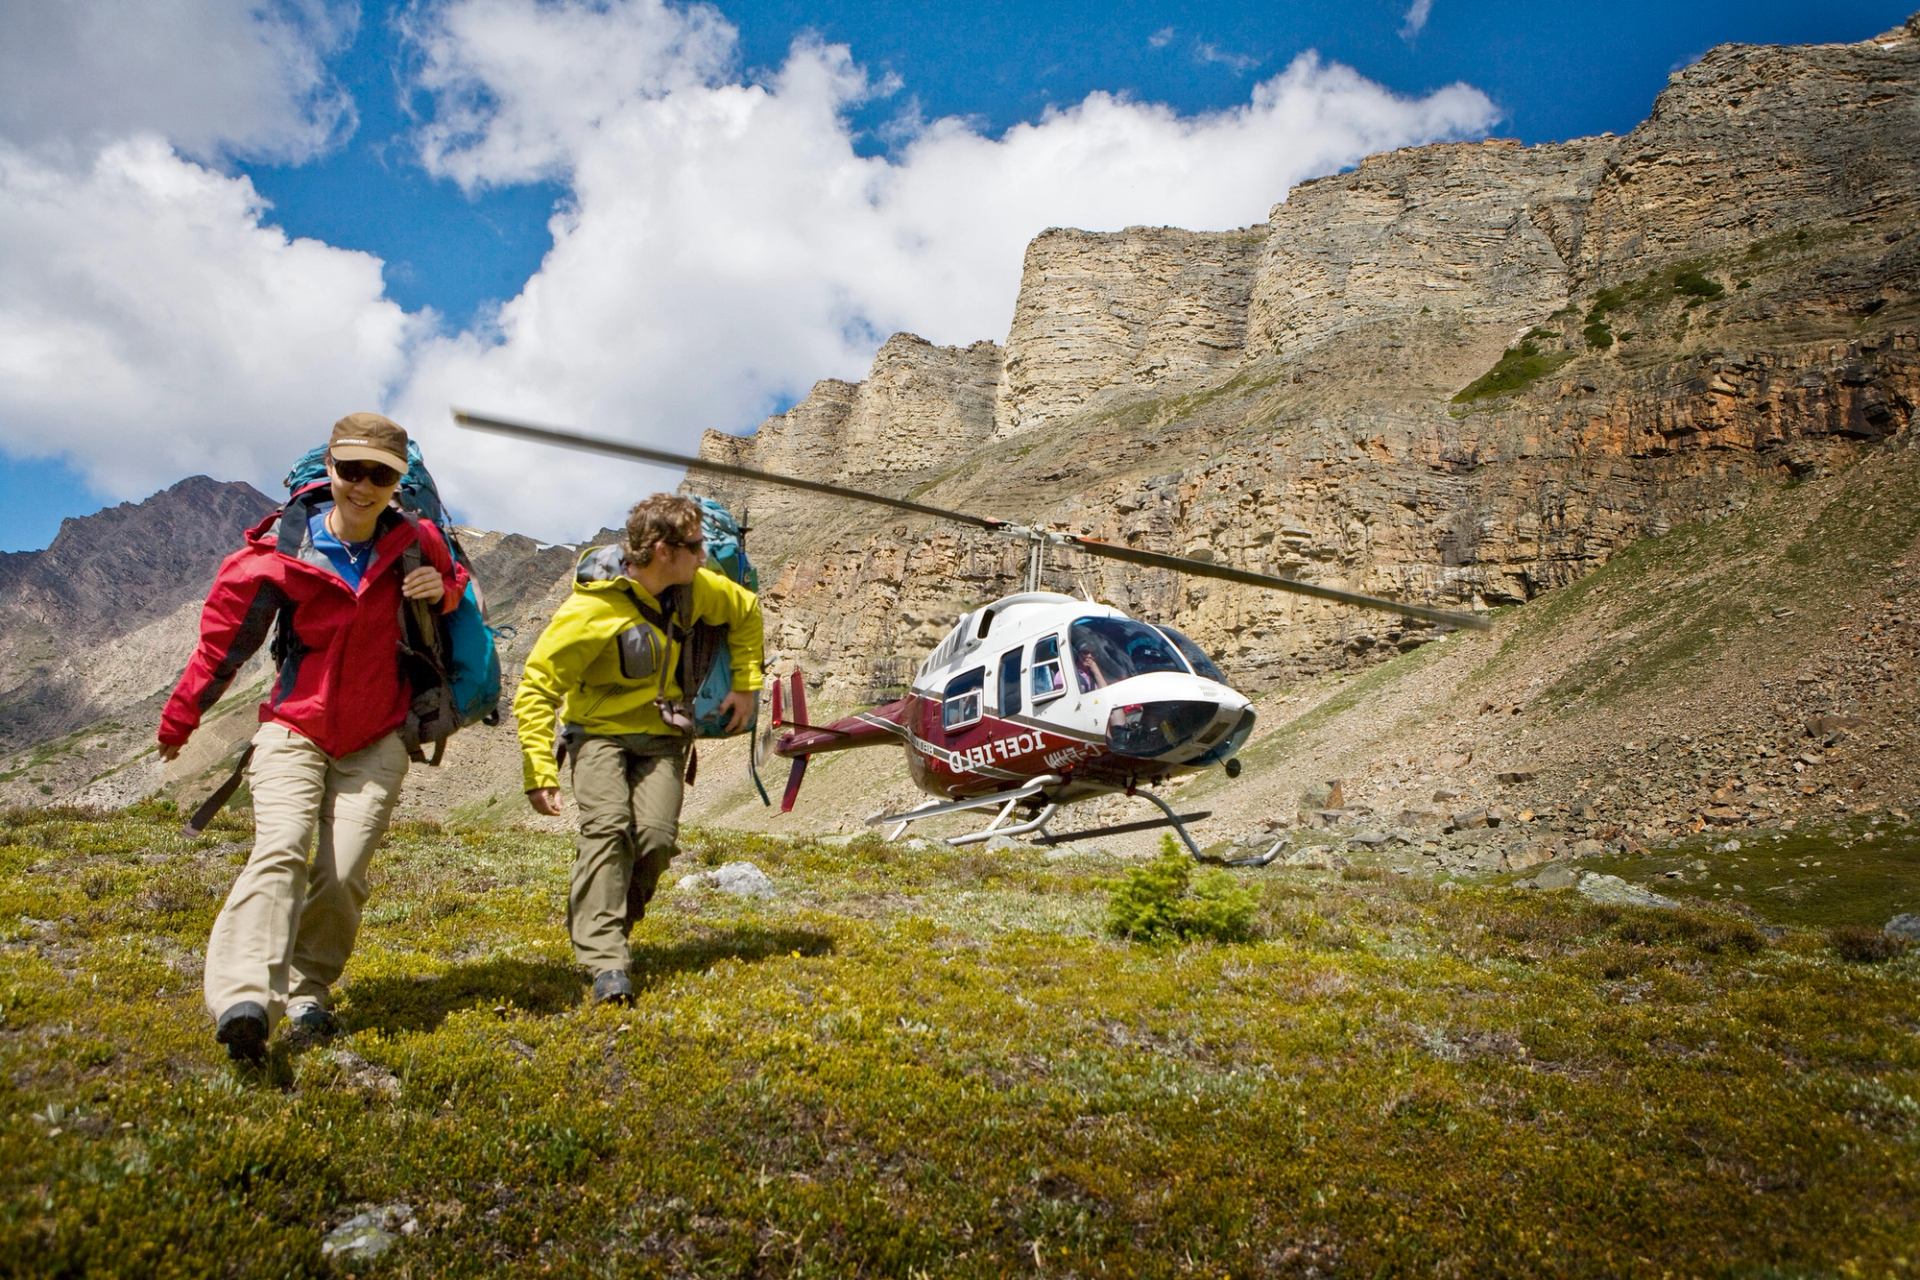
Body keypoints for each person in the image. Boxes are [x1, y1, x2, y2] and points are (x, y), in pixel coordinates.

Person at [158, 413, 467, 1064]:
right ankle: (244, 1000)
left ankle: (309, 991)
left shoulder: (417, 542)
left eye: (378, 475)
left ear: (396, 482)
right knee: (281, 848)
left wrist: (440, 589)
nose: (361, 485)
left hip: (378, 736)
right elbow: (219, 648)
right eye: (350, 470)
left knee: (343, 871)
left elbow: (456, 591)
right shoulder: (272, 558)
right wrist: (180, 719)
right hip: (293, 729)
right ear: (329, 470)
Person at [514, 494, 763, 1005]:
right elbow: (537, 687)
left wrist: (746, 685)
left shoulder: (696, 589)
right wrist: (541, 769)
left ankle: (604, 921)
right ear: (662, 551)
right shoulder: (590, 610)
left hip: (665, 737)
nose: (704, 555)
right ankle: (606, 962)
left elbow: (746, 610)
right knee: (607, 829)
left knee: (654, 839)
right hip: (598, 736)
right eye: (695, 546)